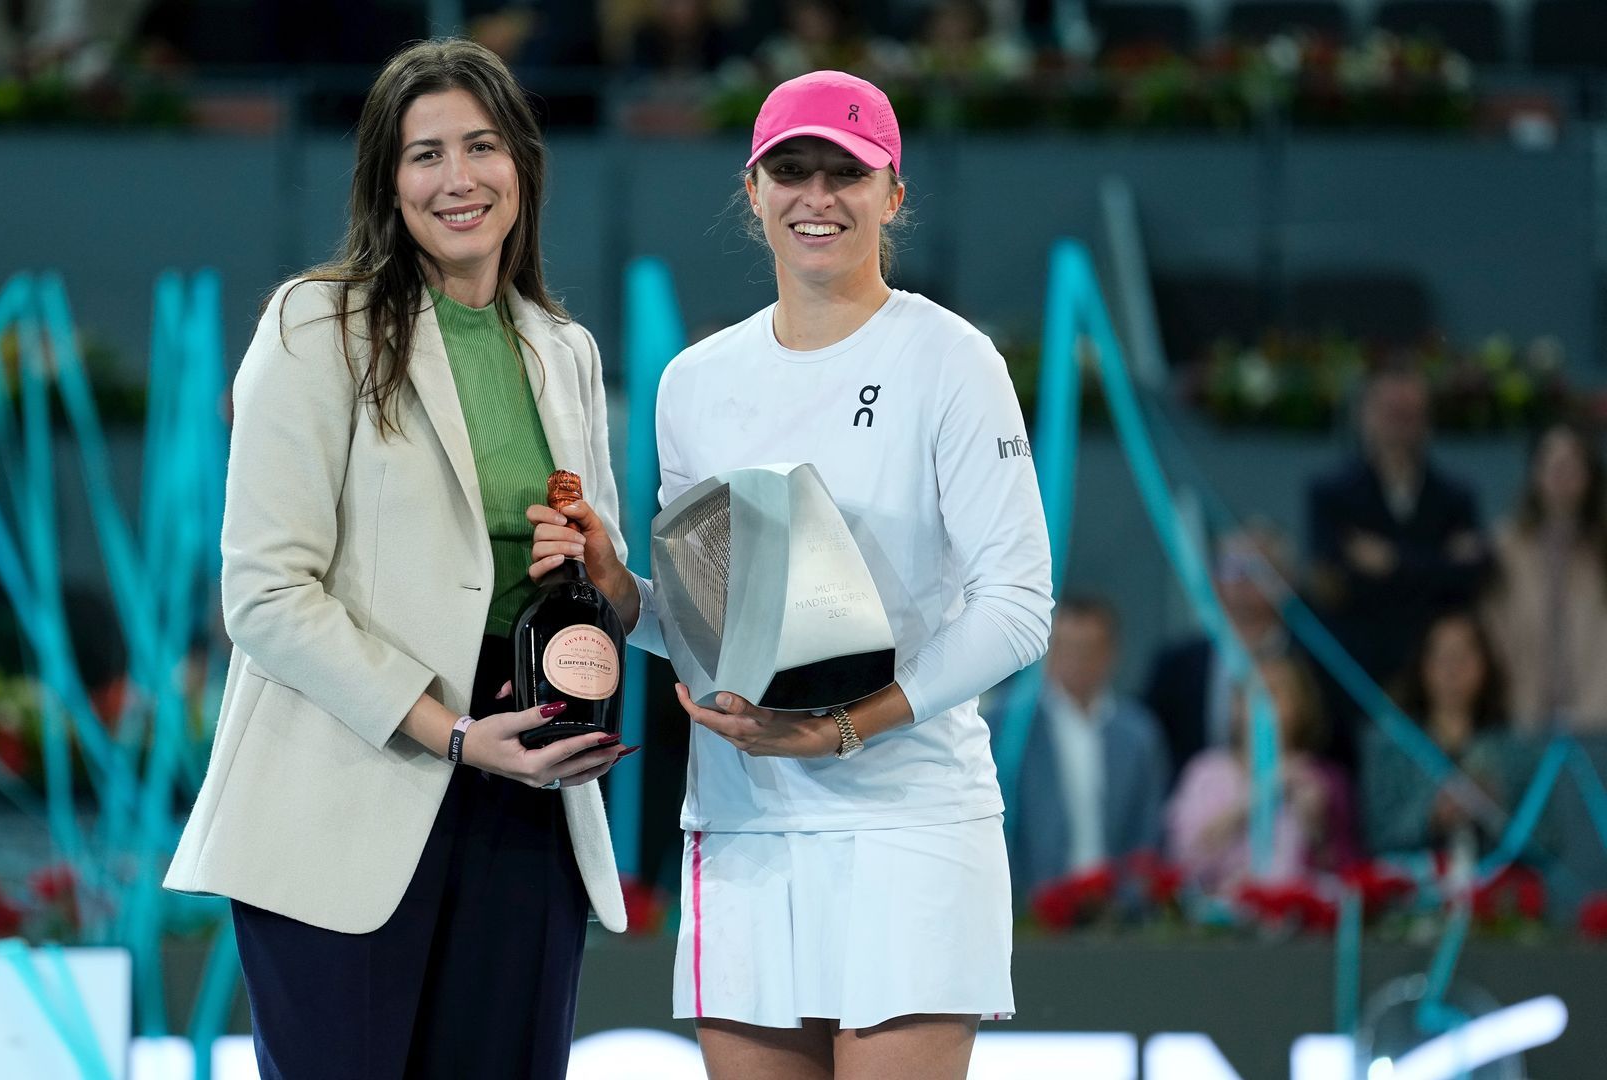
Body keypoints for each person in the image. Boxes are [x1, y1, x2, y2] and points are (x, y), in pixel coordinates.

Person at [529, 69, 1052, 1078]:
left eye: (845, 173)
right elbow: (707, 629)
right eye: (792, 171)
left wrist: (850, 725)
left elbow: (1019, 607)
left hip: (909, 821)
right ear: (754, 188)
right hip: (744, 825)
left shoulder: (953, 361)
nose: (818, 196)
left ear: (893, 194)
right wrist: (617, 586)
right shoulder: (696, 383)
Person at [164, 39, 632, 1080]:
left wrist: (607, 573)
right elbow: (265, 594)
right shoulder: (313, 325)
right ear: (386, 181)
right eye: (425, 156)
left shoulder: (564, 349)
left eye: (481, 146)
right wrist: (453, 734)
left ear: (524, 163)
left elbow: (612, 605)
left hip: (531, 802)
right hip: (353, 789)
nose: (458, 179)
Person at [1306, 365, 1487, 686]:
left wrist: (1394, 562)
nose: (1399, 424)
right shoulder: (1330, 494)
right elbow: (1332, 587)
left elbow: (1468, 581)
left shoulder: (1456, 497)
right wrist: (1435, 564)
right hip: (1357, 671)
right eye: (1391, 412)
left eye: (1410, 414)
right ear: (1364, 414)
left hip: (1432, 675)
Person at [997, 594, 1169, 899]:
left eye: (1089, 649)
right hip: (1029, 907)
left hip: (1116, 911)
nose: (1077, 662)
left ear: (1111, 652)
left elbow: (1147, 825)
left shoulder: (1138, 733)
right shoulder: (1010, 726)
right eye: (1066, 648)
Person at [1166, 654, 1357, 895]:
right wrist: (1256, 797)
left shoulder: (1325, 778)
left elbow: (1344, 869)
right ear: (1236, 706)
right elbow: (1183, 860)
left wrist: (1318, 825)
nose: (1263, 705)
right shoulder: (1206, 772)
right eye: (1253, 694)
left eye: (1275, 694)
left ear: (1302, 706)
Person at [1141, 521, 1303, 780]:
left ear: (1285, 580)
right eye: (1230, 569)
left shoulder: (1313, 662)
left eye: (1256, 569)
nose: (1241, 582)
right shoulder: (1177, 665)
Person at [1362, 611, 1524, 856]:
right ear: (1422, 665)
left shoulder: (1513, 748)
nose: (1452, 669)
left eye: (1464, 655)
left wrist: (1496, 807)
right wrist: (1432, 815)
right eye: (1441, 656)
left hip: (1495, 886)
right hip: (1417, 887)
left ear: (1486, 664)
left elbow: (1548, 843)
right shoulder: (1391, 745)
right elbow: (1374, 837)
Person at [1481, 422, 1607, 733]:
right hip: (1522, 716)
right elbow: (1493, 630)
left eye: (1572, 464)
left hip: (1596, 720)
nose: (1562, 474)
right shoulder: (1505, 547)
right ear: (1535, 473)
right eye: (1552, 463)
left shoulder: (1601, 549)